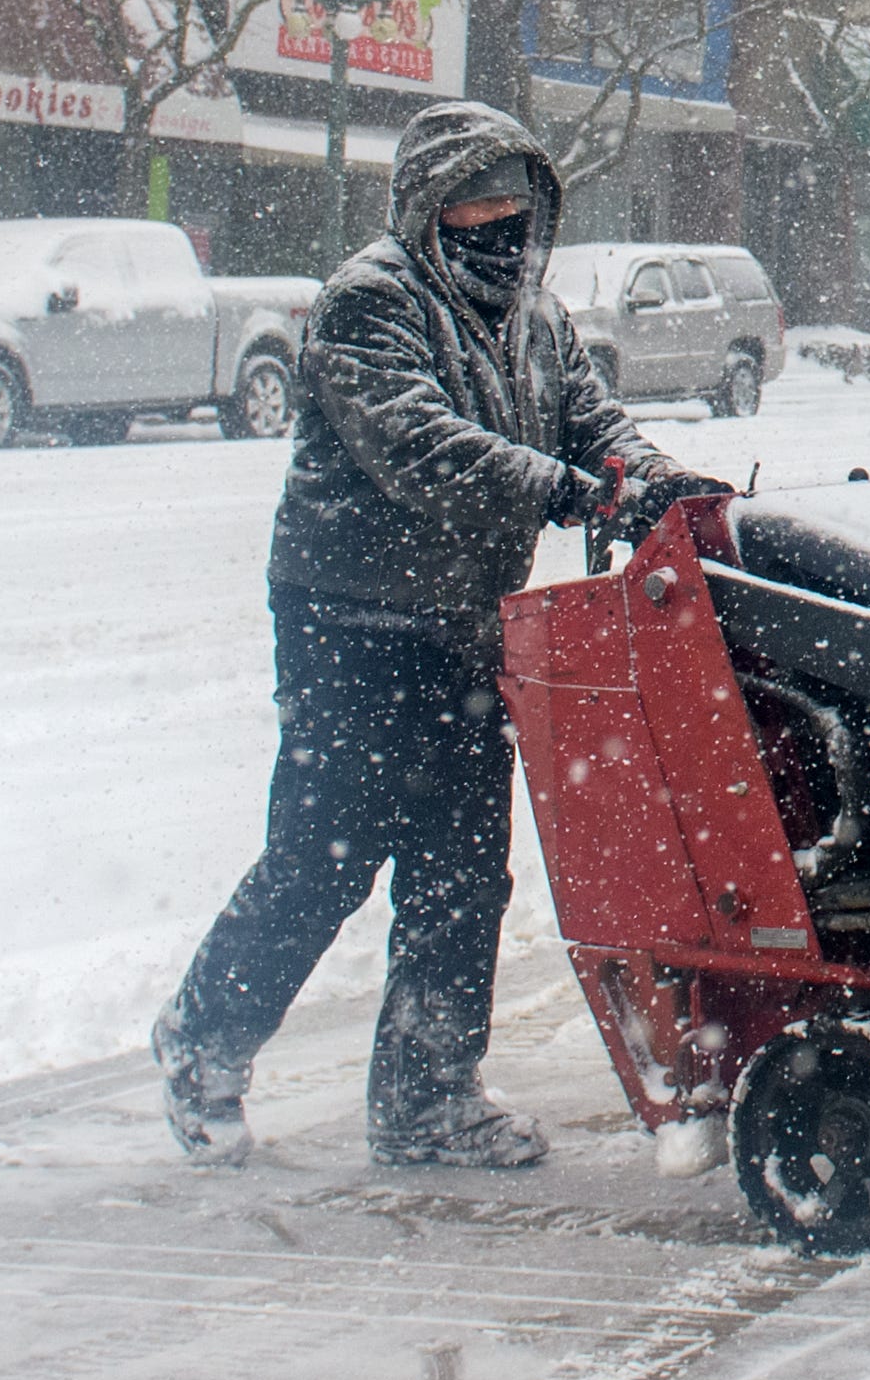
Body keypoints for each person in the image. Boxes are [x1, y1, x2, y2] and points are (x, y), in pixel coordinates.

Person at [151, 97, 682, 1168]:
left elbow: (592, 417)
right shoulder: (368, 303)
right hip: (350, 622)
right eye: (472, 200)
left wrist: (653, 479)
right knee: (324, 859)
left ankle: (426, 1094)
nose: (498, 221)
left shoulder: (536, 319)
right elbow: (420, 444)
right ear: (427, 206)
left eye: (513, 201)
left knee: (461, 867)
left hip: (466, 628)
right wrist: (570, 493)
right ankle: (202, 1039)